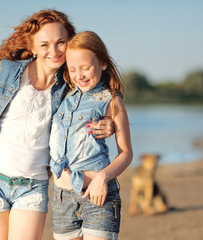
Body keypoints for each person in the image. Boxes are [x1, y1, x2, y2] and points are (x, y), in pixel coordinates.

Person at [0, 9, 115, 240]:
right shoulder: (8, 72)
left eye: (61, 43)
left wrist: (110, 125)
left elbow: (97, 106)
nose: (54, 51)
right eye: (45, 44)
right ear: (32, 46)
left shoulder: (73, 85)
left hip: (33, 184)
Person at [49, 31, 133, 240]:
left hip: (98, 196)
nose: (80, 75)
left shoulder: (111, 100)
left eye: (86, 67)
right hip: (61, 199)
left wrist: (103, 177)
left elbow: (126, 154)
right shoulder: (63, 95)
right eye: (73, 69)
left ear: (103, 63)